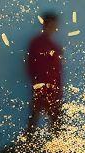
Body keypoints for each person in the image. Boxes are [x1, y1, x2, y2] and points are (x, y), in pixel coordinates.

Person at [25, 11, 63, 139]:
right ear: (49, 24)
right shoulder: (39, 44)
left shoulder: (50, 45)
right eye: (54, 24)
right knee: (53, 120)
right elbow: (32, 66)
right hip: (44, 87)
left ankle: (29, 143)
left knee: (48, 119)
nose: (56, 27)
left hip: (49, 87)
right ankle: (30, 143)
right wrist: (40, 84)